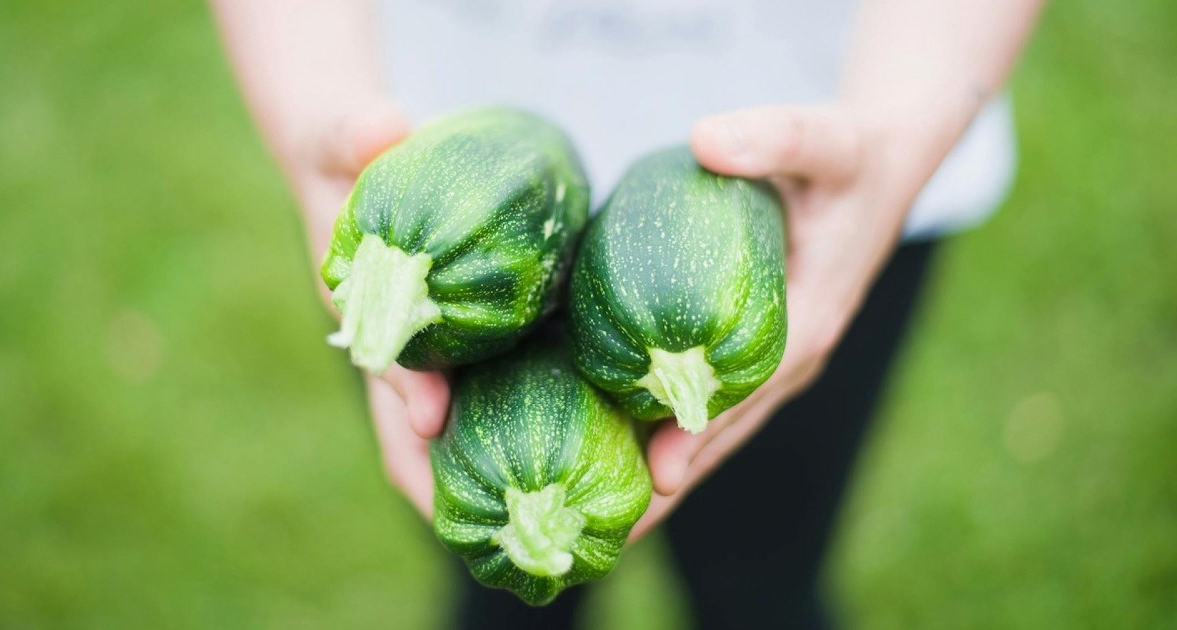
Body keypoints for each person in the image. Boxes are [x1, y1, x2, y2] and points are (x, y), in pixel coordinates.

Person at [212, 1, 1044, 626]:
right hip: (433, 161)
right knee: (505, 592)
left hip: (830, 174)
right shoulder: (403, 246)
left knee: (761, 582)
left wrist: (900, 137)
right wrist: (311, 107)